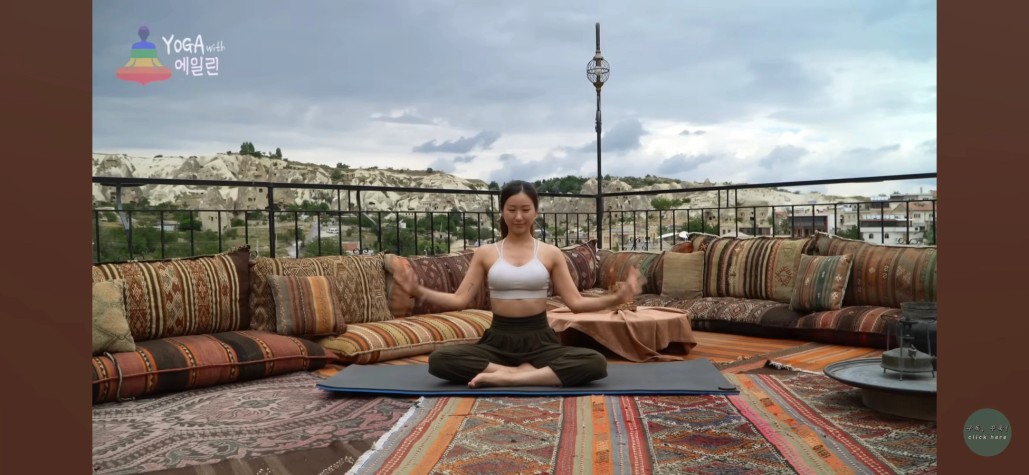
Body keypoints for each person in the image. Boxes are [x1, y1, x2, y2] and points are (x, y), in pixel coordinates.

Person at [391, 180, 642, 389]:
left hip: (541, 341)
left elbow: (576, 303)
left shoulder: (551, 253)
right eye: (511, 209)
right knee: (440, 360)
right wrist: (417, 291)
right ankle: (524, 374)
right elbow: (459, 300)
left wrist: (617, 298)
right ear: (502, 211)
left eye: (525, 209)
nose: (518, 216)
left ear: (536, 212)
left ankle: (509, 378)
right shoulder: (486, 253)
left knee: (595, 362)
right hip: (498, 341)